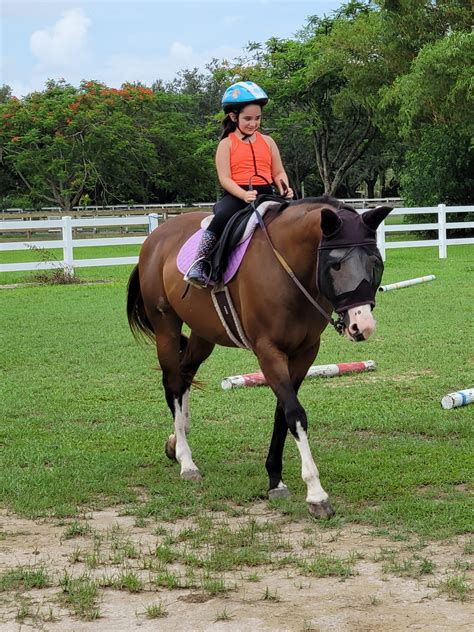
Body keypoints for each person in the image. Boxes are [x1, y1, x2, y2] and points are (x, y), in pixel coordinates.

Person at [184, 80, 294, 288]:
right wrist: (243, 195)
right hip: (237, 195)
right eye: (248, 119)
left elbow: (278, 171)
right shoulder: (226, 144)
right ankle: (200, 262)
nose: (253, 123)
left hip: (266, 193)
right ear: (234, 117)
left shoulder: (268, 142)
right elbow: (225, 178)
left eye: (258, 118)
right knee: (222, 217)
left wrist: (283, 186)